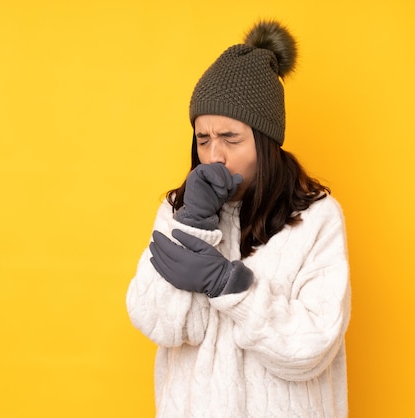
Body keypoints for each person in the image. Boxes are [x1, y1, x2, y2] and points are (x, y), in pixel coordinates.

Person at [126, 19, 351, 417]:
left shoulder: (317, 218)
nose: (215, 155)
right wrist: (193, 224)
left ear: (265, 141)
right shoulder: (178, 211)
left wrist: (231, 287)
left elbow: (311, 348)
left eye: (231, 138)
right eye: (203, 139)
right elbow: (158, 323)